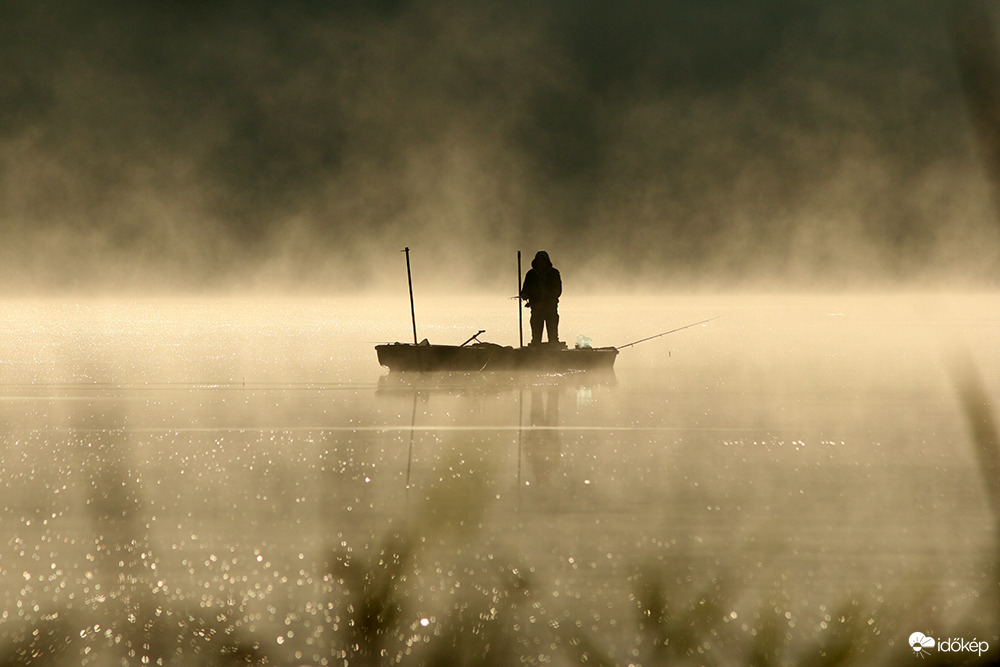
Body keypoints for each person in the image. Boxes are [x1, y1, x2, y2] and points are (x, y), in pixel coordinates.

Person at [519, 250, 561, 345]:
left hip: (550, 308)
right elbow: (525, 289)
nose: (541, 262)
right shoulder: (531, 274)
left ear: (547, 261)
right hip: (536, 308)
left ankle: (554, 349)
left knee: (553, 335)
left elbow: (557, 291)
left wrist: (547, 301)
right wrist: (524, 295)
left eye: (543, 260)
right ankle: (535, 349)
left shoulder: (554, 273)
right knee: (536, 335)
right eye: (539, 260)